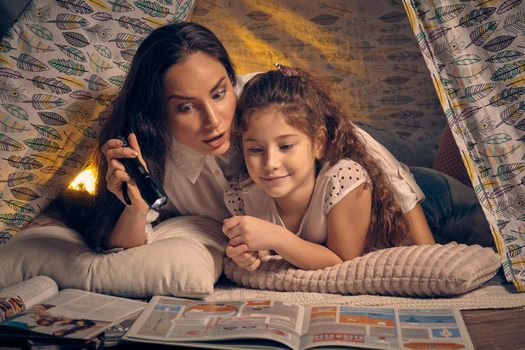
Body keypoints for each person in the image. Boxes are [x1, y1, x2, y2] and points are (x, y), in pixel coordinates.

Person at [80, 22, 490, 261]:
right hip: (323, 199)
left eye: (220, 93)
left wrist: (427, 256)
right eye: (186, 108)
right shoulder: (154, 159)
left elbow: (385, 170)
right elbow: (125, 249)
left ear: (231, 80)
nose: (214, 120)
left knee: (462, 192)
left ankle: (454, 144)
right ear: (158, 112)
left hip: (362, 165)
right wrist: (136, 206)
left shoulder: (259, 97)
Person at [221, 66, 435, 270]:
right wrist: (248, 254)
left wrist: (276, 237)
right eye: (256, 150)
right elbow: (269, 251)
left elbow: (342, 262)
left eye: (285, 146)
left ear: (319, 143)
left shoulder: (344, 180)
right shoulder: (244, 195)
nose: (270, 163)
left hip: (433, 204)